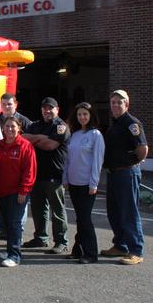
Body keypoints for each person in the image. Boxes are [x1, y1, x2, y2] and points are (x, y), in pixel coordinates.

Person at [101, 90, 148, 265]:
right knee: (114, 211)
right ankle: (120, 245)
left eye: (119, 102)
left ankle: (136, 250)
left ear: (126, 105)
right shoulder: (115, 124)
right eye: (112, 102)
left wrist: (132, 163)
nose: (115, 105)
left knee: (129, 212)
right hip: (114, 173)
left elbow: (143, 149)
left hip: (127, 172)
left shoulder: (131, 123)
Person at [22, 97, 70, 254]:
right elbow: (23, 139)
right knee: (38, 208)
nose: (47, 111)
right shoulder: (35, 125)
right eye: (45, 108)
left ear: (57, 109)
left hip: (54, 175)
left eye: (51, 108)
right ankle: (41, 238)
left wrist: (34, 139)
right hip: (37, 174)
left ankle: (61, 241)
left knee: (57, 211)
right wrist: (41, 138)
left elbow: (50, 145)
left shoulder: (61, 126)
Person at [62, 102, 105, 264]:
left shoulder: (96, 135)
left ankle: (91, 253)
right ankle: (78, 250)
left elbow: (97, 161)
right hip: (73, 183)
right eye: (79, 114)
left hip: (87, 184)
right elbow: (68, 159)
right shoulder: (75, 134)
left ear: (91, 116)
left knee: (85, 219)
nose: (82, 117)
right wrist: (65, 178)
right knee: (80, 218)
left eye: (85, 114)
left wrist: (94, 183)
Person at [0, 117, 36, 267]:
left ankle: (15, 255)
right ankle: (9, 249)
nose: (10, 129)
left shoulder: (25, 146)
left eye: (13, 126)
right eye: (7, 127)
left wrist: (24, 191)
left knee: (14, 223)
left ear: (19, 128)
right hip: (1, 192)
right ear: (2, 129)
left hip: (17, 193)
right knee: (6, 223)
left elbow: (29, 171)